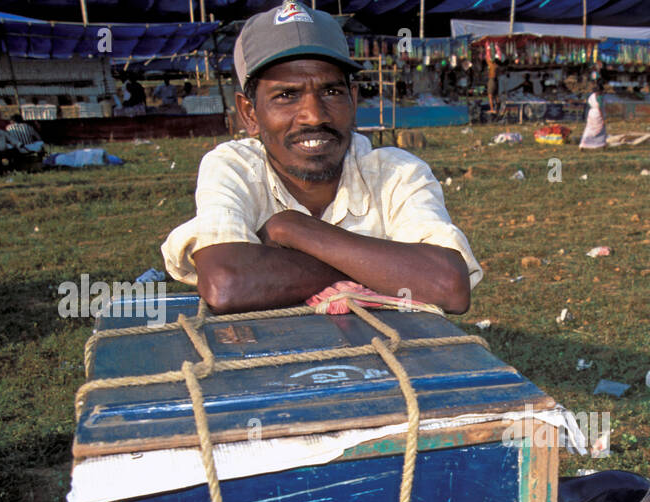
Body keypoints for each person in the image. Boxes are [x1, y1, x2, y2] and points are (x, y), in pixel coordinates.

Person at [161, 2, 478, 315]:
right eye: (286, 95)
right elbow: (226, 285)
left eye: (331, 92)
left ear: (353, 101)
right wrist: (379, 271)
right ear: (249, 114)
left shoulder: (395, 172)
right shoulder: (235, 167)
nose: (314, 116)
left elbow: (448, 285)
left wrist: (292, 228)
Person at [579, 84, 607, 149]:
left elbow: (588, 103)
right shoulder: (600, 97)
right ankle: (601, 144)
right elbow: (600, 108)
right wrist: (603, 117)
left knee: (589, 128)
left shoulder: (591, 96)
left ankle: (583, 143)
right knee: (601, 129)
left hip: (591, 113)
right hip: (597, 114)